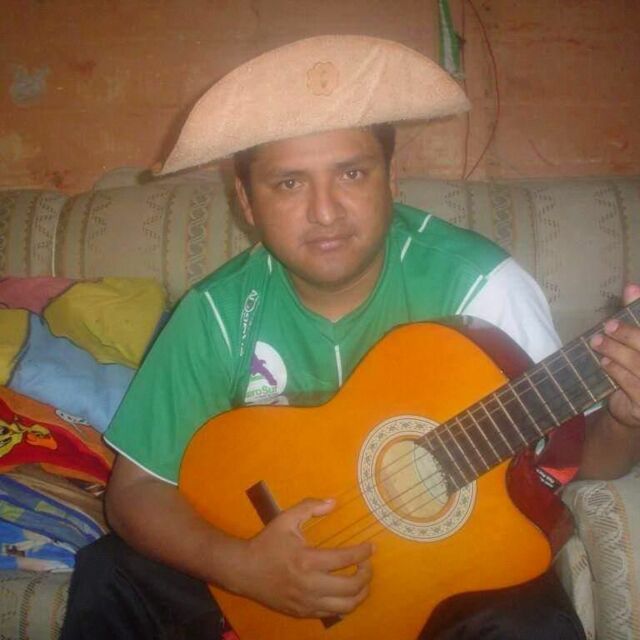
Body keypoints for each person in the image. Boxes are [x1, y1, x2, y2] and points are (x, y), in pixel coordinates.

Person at [61, 36, 640, 640]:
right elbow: (134, 492)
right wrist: (242, 568)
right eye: (289, 184)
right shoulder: (216, 312)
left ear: (392, 179)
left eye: (352, 173)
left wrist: (625, 422)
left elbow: (578, 457)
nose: (326, 211)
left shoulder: (482, 288)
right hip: (253, 572)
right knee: (111, 574)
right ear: (246, 203)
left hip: (454, 584)